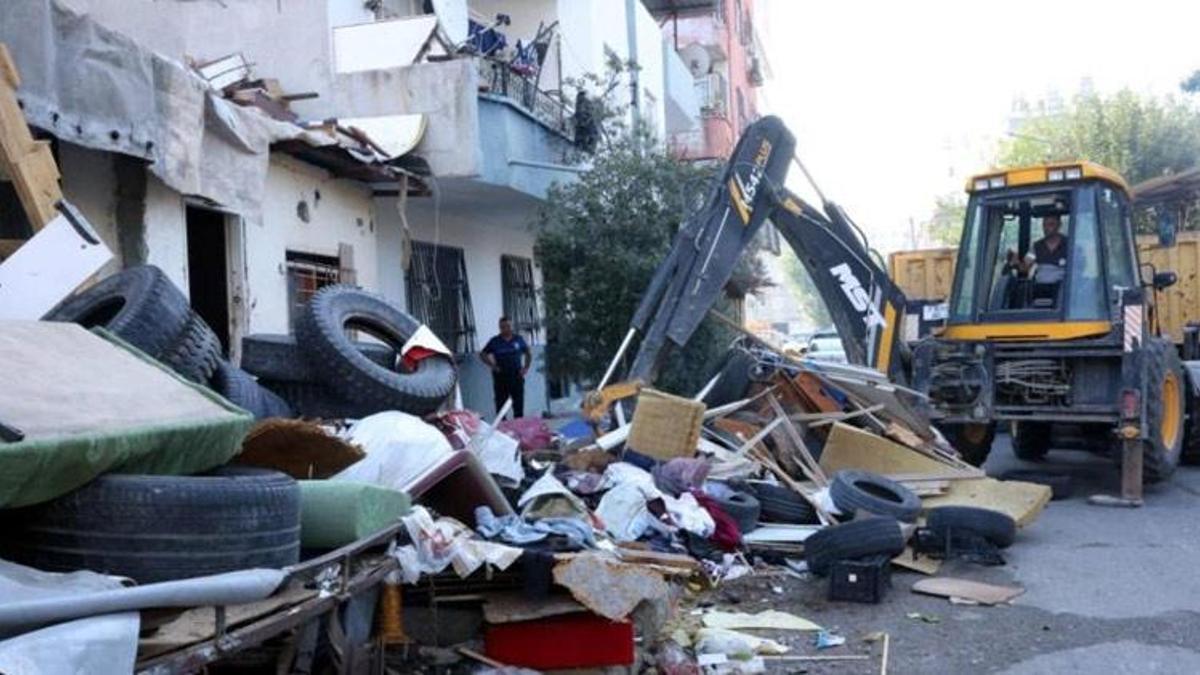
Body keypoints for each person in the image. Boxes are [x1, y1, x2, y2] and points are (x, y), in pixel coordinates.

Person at [481, 316, 531, 418]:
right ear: (500, 328)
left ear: (511, 326)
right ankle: (502, 430)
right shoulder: (495, 341)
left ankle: (518, 428)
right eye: (502, 327)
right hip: (501, 376)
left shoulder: (518, 339)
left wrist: (525, 368)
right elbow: (483, 354)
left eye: (508, 326)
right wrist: (493, 366)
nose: (505, 329)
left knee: (518, 405)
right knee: (501, 406)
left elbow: (528, 353)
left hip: (516, 375)